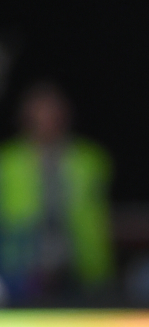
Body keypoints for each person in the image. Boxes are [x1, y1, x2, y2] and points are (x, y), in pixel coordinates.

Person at [0, 81, 114, 304]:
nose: (47, 121)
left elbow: (99, 214)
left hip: (81, 265)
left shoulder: (90, 159)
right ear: (26, 118)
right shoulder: (7, 162)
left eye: (53, 114)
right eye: (40, 114)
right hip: (22, 267)